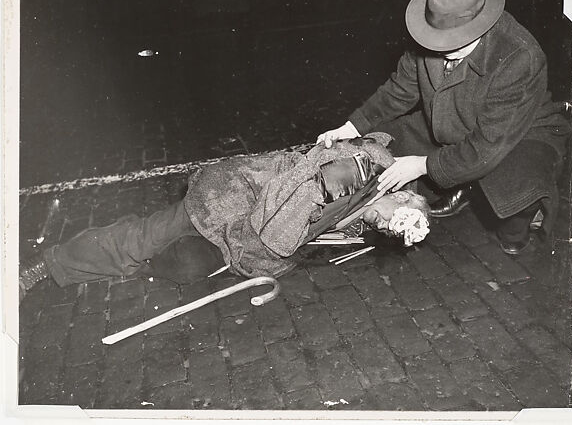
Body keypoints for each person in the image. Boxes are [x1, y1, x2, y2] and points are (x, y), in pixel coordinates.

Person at [317, 0, 570, 255]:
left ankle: (521, 215)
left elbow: (487, 147)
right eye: (437, 37)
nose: (442, 48)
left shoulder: (519, 55)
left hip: (518, 135)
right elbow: (399, 90)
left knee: (514, 200)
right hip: (454, 119)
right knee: (379, 143)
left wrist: (423, 165)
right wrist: (351, 128)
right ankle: (460, 184)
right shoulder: (430, 33)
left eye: (456, 39)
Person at [19, 133, 430, 299]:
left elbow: (301, 240)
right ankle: (45, 265)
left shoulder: (368, 215)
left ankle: (131, 264)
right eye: (396, 217)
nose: (384, 227)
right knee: (145, 238)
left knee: (183, 266)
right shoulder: (358, 173)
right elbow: (282, 234)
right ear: (403, 197)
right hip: (230, 198)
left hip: (244, 232)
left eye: (390, 231)